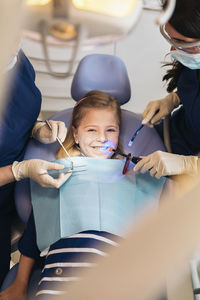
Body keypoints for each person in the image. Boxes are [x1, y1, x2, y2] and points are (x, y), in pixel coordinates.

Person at [0, 90, 165, 300]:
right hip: (61, 281)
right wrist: (20, 284)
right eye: (91, 130)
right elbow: (35, 232)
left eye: (111, 130)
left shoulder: (133, 178)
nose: (102, 138)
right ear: (76, 135)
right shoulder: (60, 176)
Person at [0, 47, 69, 286]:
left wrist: (38, 127)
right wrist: (19, 170)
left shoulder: (15, 59)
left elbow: (23, 106)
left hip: (15, 186)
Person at [134, 0, 200, 179]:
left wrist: (188, 164)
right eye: (171, 39)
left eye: (181, 42)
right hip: (175, 136)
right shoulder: (194, 59)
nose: (173, 49)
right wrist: (173, 99)